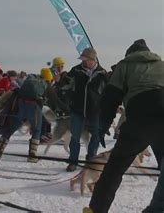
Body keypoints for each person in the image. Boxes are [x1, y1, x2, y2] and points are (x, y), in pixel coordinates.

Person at [84, 39, 164, 213]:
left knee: (114, 169)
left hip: (140, 119)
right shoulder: (161, 64)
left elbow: (111, 97)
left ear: (129, 54)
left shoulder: (125, 65)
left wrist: (104, 125)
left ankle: (96, 210)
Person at [0, 68, 52, 162]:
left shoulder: (30, 79)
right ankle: (32, 155)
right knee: (37, 129)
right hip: (34, 108)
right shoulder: (43, 84)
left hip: (21, 105)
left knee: (12, 128)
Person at [66, 48, 108, 172]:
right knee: (75, 136)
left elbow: (108, 91)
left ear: (92, 60)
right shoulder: (75, 70)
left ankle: (91, 160)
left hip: (95, 110)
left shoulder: (102, 73)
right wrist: (61, 83)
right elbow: (66, 85)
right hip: (77, 109)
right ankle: (73, 161)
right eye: (82, 59)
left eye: (85, 60)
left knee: (96, 136)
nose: (83, 62)